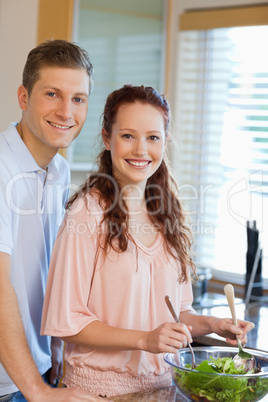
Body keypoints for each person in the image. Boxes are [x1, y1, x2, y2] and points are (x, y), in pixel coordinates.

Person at [41, 85, 255, 398]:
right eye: (128, 136)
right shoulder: (86, 213)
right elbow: (68, 322)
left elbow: (175, 315)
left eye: (153, 138)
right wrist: (144, 339)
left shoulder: (167, 214)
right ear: (106, 138)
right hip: (98, 393)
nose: (141, 150)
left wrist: (213, 324)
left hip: (162, 388)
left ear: (165, 142)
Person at [0, 39, 108, 401]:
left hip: (38, 367)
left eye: (78, 99)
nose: (66, 111)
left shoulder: (58, 170)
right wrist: (36, 391)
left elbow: (45, 266)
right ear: (23, 97)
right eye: (52, 94)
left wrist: (56, 343)